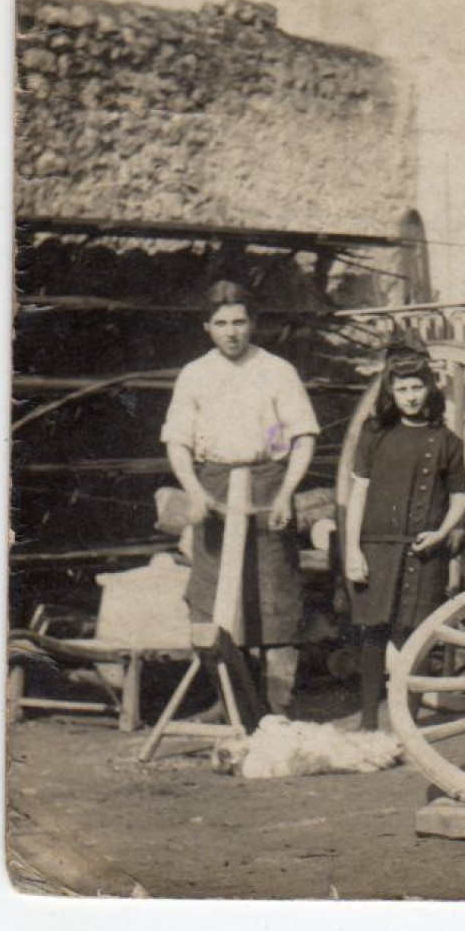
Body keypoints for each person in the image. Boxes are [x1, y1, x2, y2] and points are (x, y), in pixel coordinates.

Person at [161, 281, 320, 716]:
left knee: (275, 596)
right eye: (221, 323)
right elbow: (177, 442)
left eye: (239, 322)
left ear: (252, 323)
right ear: (207, 327)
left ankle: (277, 708)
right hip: (214, 488)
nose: (231, 332)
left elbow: (302, 437)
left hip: (267, 484)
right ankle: (231, 702)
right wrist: (196, 493)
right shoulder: (195, 374)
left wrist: (287, 494)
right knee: (210, 601)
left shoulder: (276, 370)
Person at [342, 348, 465, 731]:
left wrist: (442, 532)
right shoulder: (374, 434)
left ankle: (408, 729)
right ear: (391, 393)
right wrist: (352, 550)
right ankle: (367, 725)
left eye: (418, 387)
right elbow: (358, 493)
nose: (411, 396)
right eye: (403, 389)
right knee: (373, 633)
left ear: (430, 389)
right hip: (377, 546)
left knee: (415, 637)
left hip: (423, 552)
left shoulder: (445, 441)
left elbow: (461, 495)